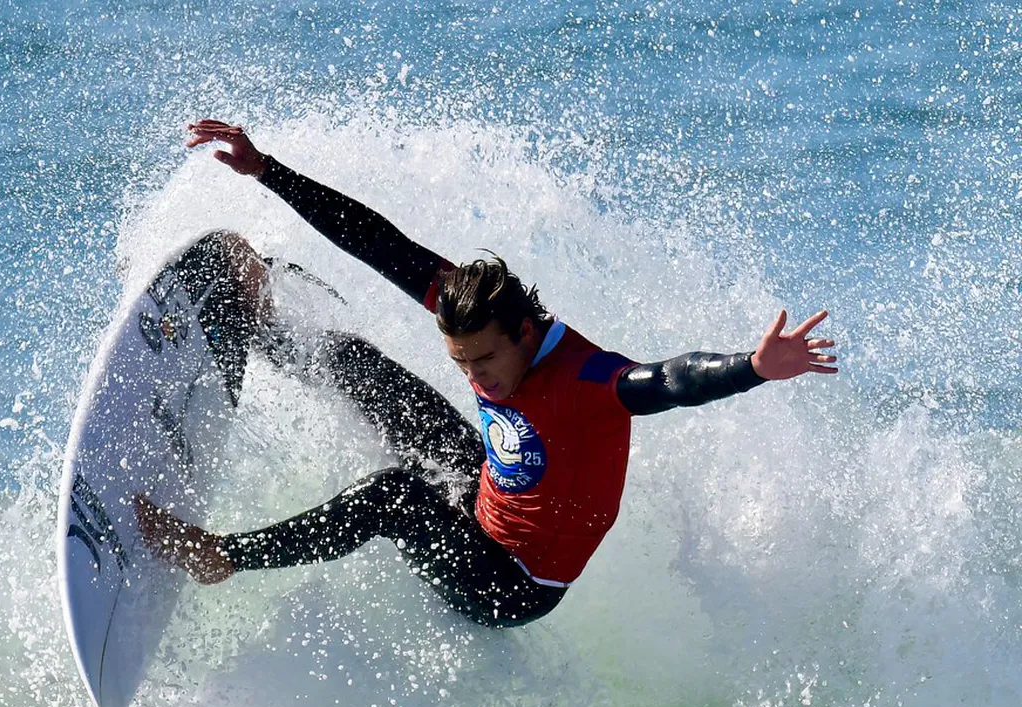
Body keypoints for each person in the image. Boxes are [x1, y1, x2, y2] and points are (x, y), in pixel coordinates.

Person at [135, 119, 839, 628]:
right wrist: (268, 171)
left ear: (525, 333)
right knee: (366, 370)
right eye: (462, 362)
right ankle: (257, 330)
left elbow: (671, 380)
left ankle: (219, 556)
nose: (478, 376)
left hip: (512, 585)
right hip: (486, 497)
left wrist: (751, 367)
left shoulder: (585, 382)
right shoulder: (473, 316)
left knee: (396, 496)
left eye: (486, 361)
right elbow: (378, 239)